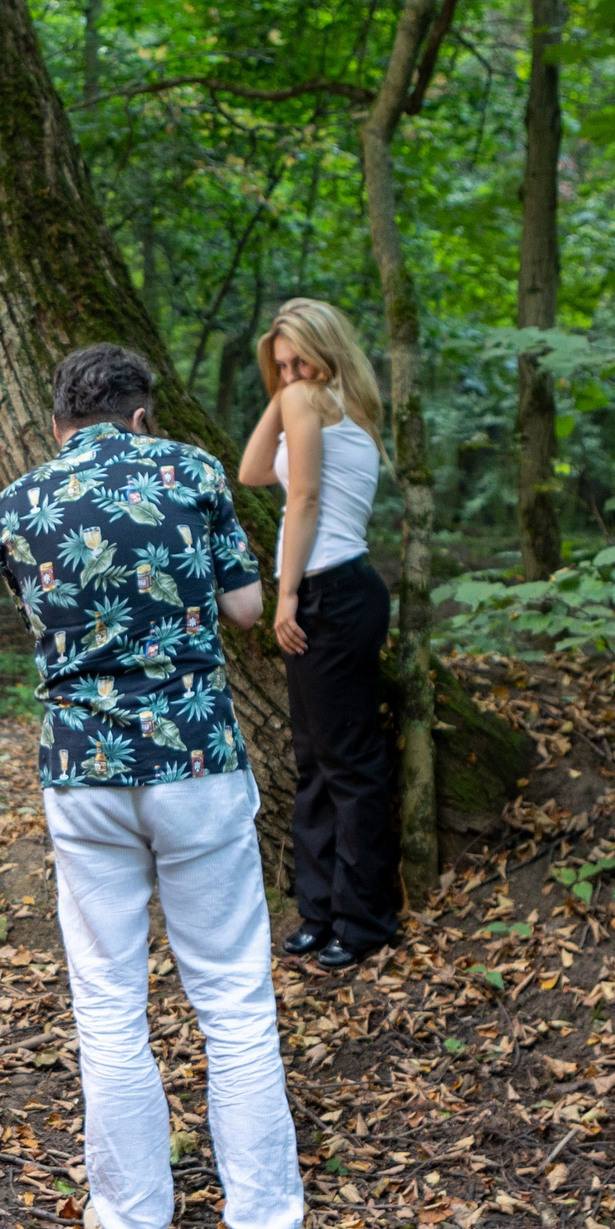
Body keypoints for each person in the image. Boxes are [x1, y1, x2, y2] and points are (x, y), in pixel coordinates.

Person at [0, 344, 312, 1229]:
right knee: (234, 997)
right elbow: (246, 608)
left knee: (107, 1001)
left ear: (59, 424)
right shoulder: (193, 470)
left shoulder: (15, 505)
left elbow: (46, 621)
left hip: (82, 769)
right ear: (139, 416)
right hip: (194, 757)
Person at [238, 297, 400, 970]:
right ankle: (320, 911)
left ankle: (364, 922)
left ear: (326, 353)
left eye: (298, 360)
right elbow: (252, 472)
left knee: (346, 764)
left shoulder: (317, 402)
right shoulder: (333, 406)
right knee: (317, 760)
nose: (290, 374)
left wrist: (287, 595)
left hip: (329, 592)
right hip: (338, 591)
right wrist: (281, 394)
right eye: (279, 365)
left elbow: (302, 498)